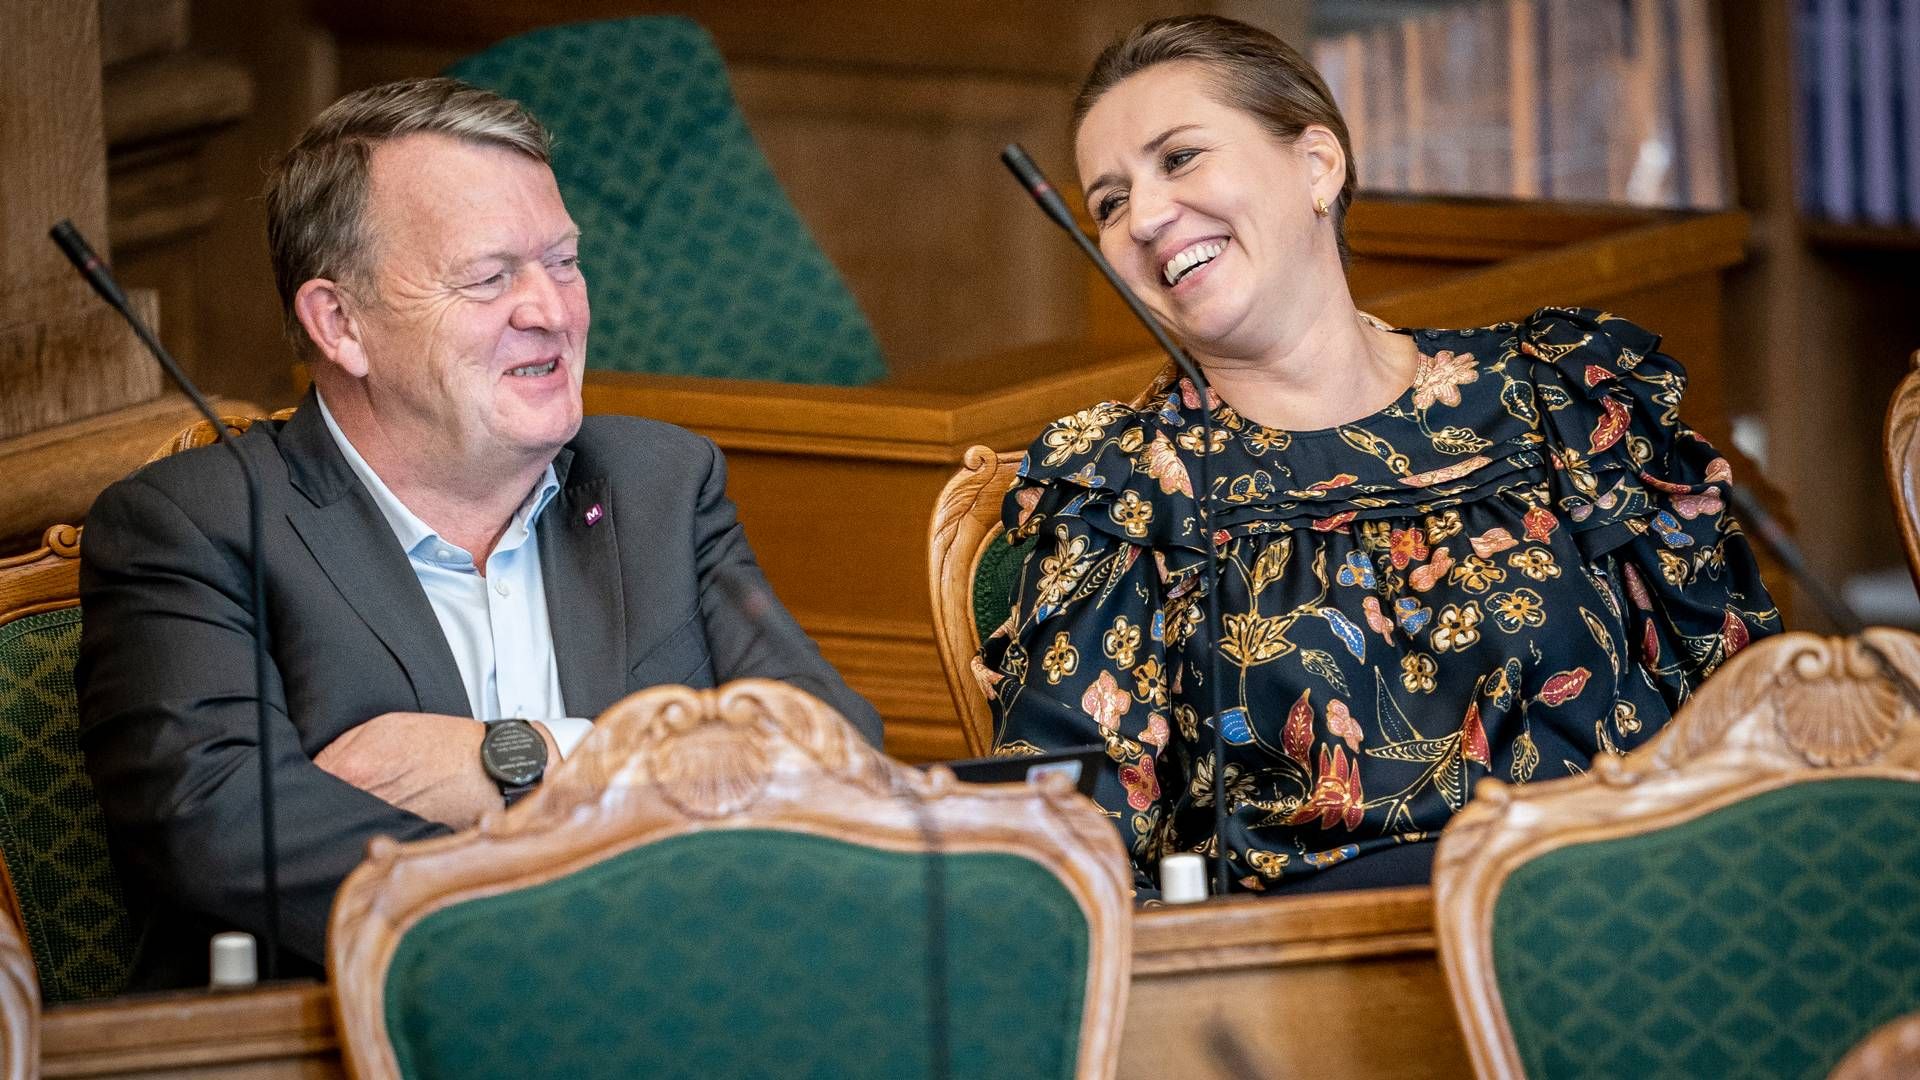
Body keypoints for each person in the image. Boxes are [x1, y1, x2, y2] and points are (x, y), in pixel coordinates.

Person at [77, 77, 883, 984]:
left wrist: (520, 759)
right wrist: (644, 839)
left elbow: (835, 749)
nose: (553, 310)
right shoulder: (198, 527)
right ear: (340, 323)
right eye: (490, 277)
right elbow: (220, 831)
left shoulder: (656, 484)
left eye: (565, 263)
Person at [978, 16, 1780, 898]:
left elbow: (1751, 713)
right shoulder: (1124, 488)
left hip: (1630, 940)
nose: (1147, 216)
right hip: (1315, 992)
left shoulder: (1561, 400)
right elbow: (1071, 851)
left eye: (1179, 159)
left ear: (1319, 164)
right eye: (1109, 202)